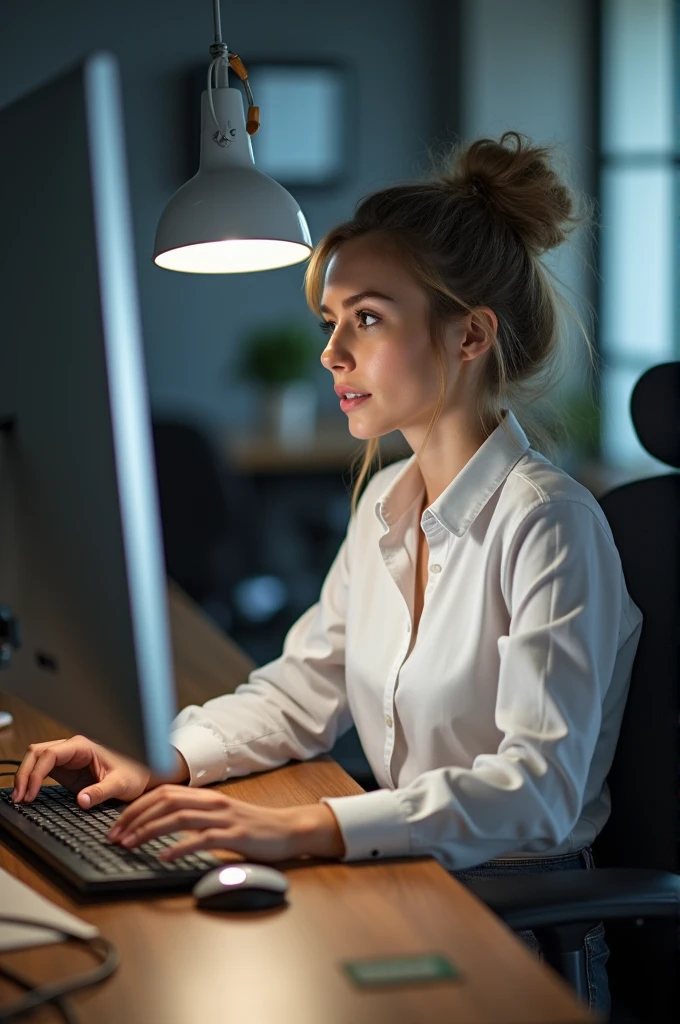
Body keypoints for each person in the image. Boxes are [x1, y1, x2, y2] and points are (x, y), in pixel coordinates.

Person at [12, 131, 642, 1017]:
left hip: (514, 927)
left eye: (368, 318)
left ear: (470, 334)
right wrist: (162, 757)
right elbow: (301, 691)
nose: (331, 354)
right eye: (331, 322)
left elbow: (536, 794)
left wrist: (305, 828)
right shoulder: (389, 496)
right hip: (406, 875)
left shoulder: (549, 523)